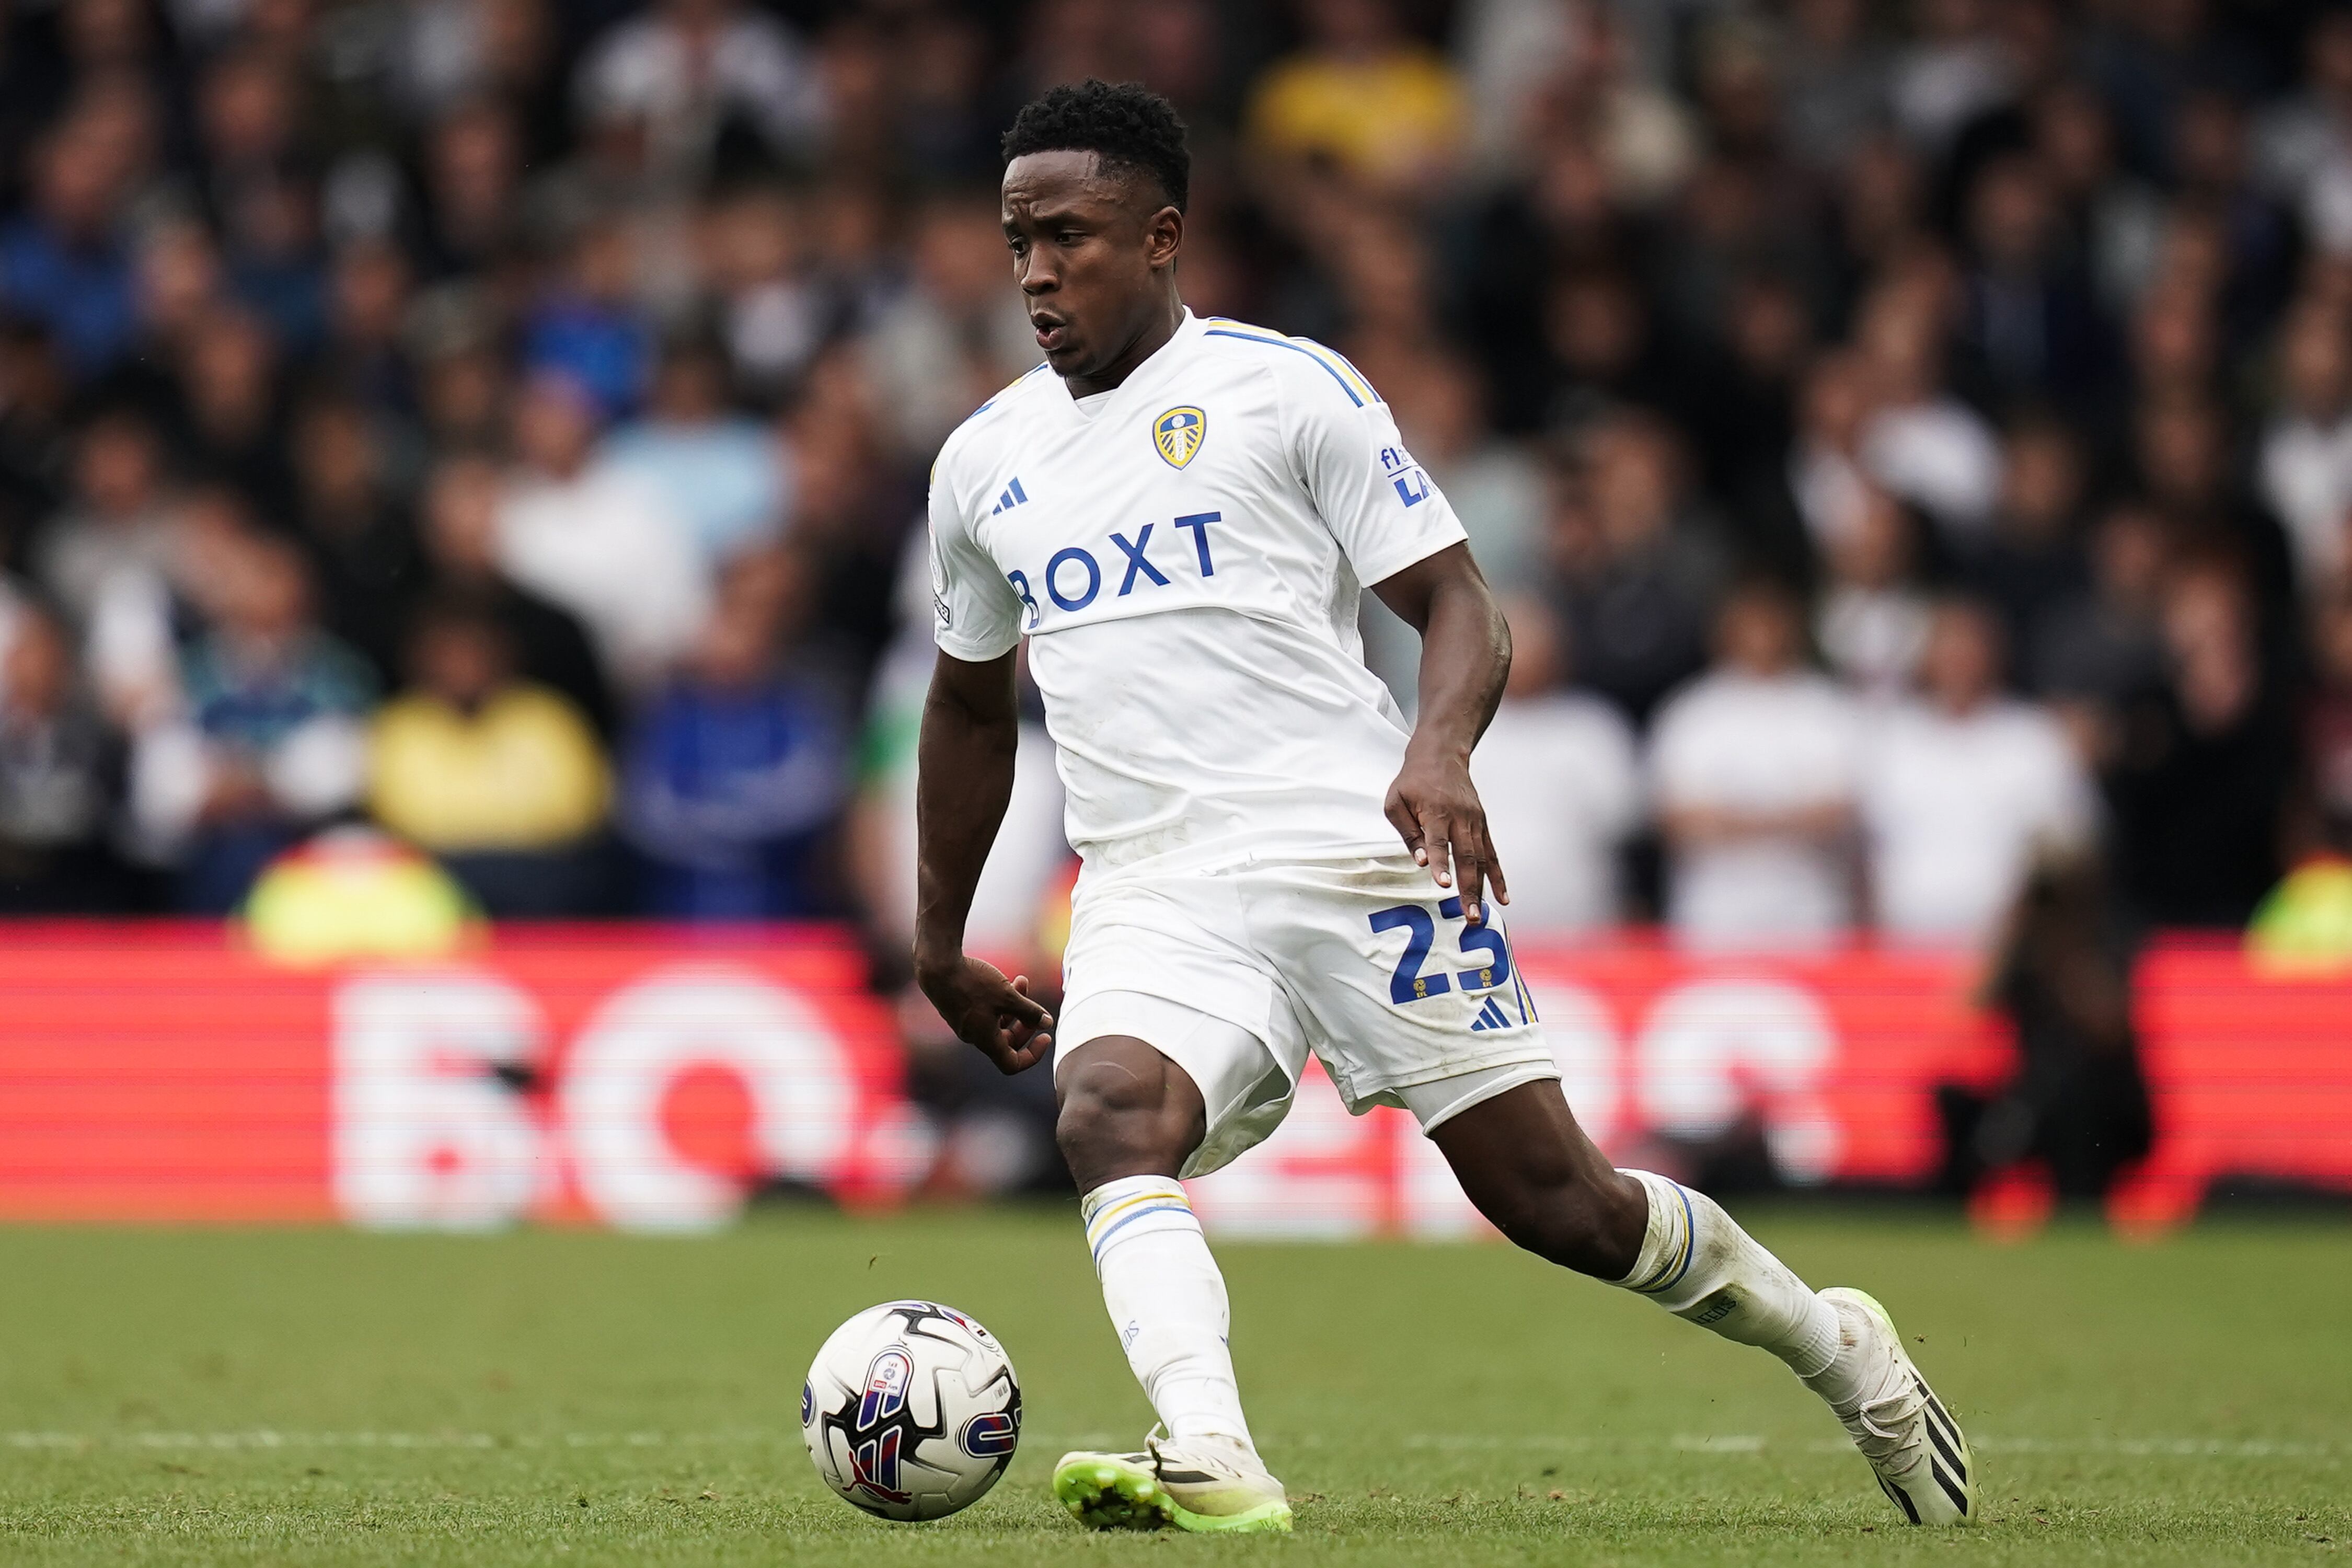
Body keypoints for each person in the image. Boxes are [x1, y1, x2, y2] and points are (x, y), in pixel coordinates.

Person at [915, 82, 1974, 1537]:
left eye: (1071, 238)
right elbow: (971, 703)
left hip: (1354, 850)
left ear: (1161, 237)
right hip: (1151, 879)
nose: (1035, 272)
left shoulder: (1290, 391)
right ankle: (1211, 1449)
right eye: (1016, 239)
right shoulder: (982, 463)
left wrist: (1437, 754)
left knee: (1560, 1205)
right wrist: (935, 938)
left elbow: (1457, 600)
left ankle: (1837, 1349)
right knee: (1106, 1116)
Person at [1860, 599, 2097, 943]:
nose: (1959, 662)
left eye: (1970, 647)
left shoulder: (2033, 739)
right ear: (1928, 657)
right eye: (1949, 647)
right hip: (1904, 948)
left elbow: (2067, 847)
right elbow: (1862, 851)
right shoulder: (1890, 741)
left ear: (1994, 654)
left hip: (2007, 952)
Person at [1651, 579, 1865, 951]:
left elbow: (1840, 813)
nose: (1761, 636)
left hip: (1810, 913)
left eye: (1771, 623)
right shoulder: (1692, 712)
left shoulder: (1827, 708)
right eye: (1749, 624)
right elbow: (1677, 821)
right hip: (1715, 916)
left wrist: (1733, 822)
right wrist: (1787, 821)